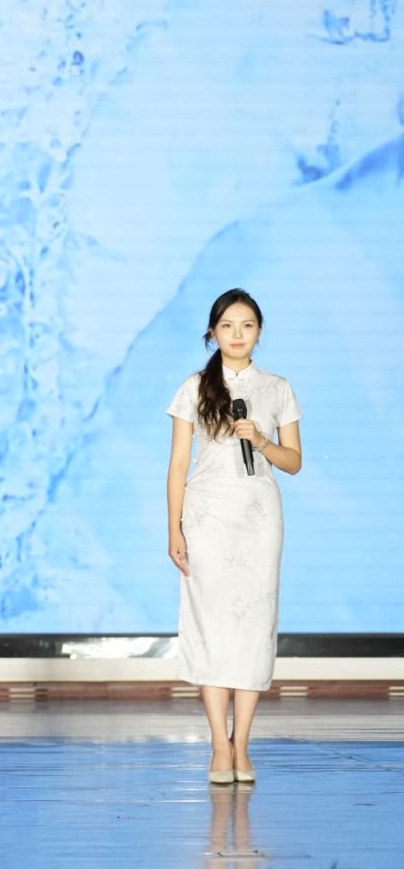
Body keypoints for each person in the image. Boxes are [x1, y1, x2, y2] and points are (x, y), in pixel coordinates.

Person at [166, 288, 301, 785]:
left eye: (247, 325)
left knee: (252, 629)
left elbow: (294, 462)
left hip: (258, 516)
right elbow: (178, 465)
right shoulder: (194, 387)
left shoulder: (277, 388)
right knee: (212, 627)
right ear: (212, 332)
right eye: (227, 325)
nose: (237, 334)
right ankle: (218, 745)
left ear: (259, 331)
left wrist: (261, 440)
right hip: (207, 517)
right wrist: (174, 527)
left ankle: (242, 743)